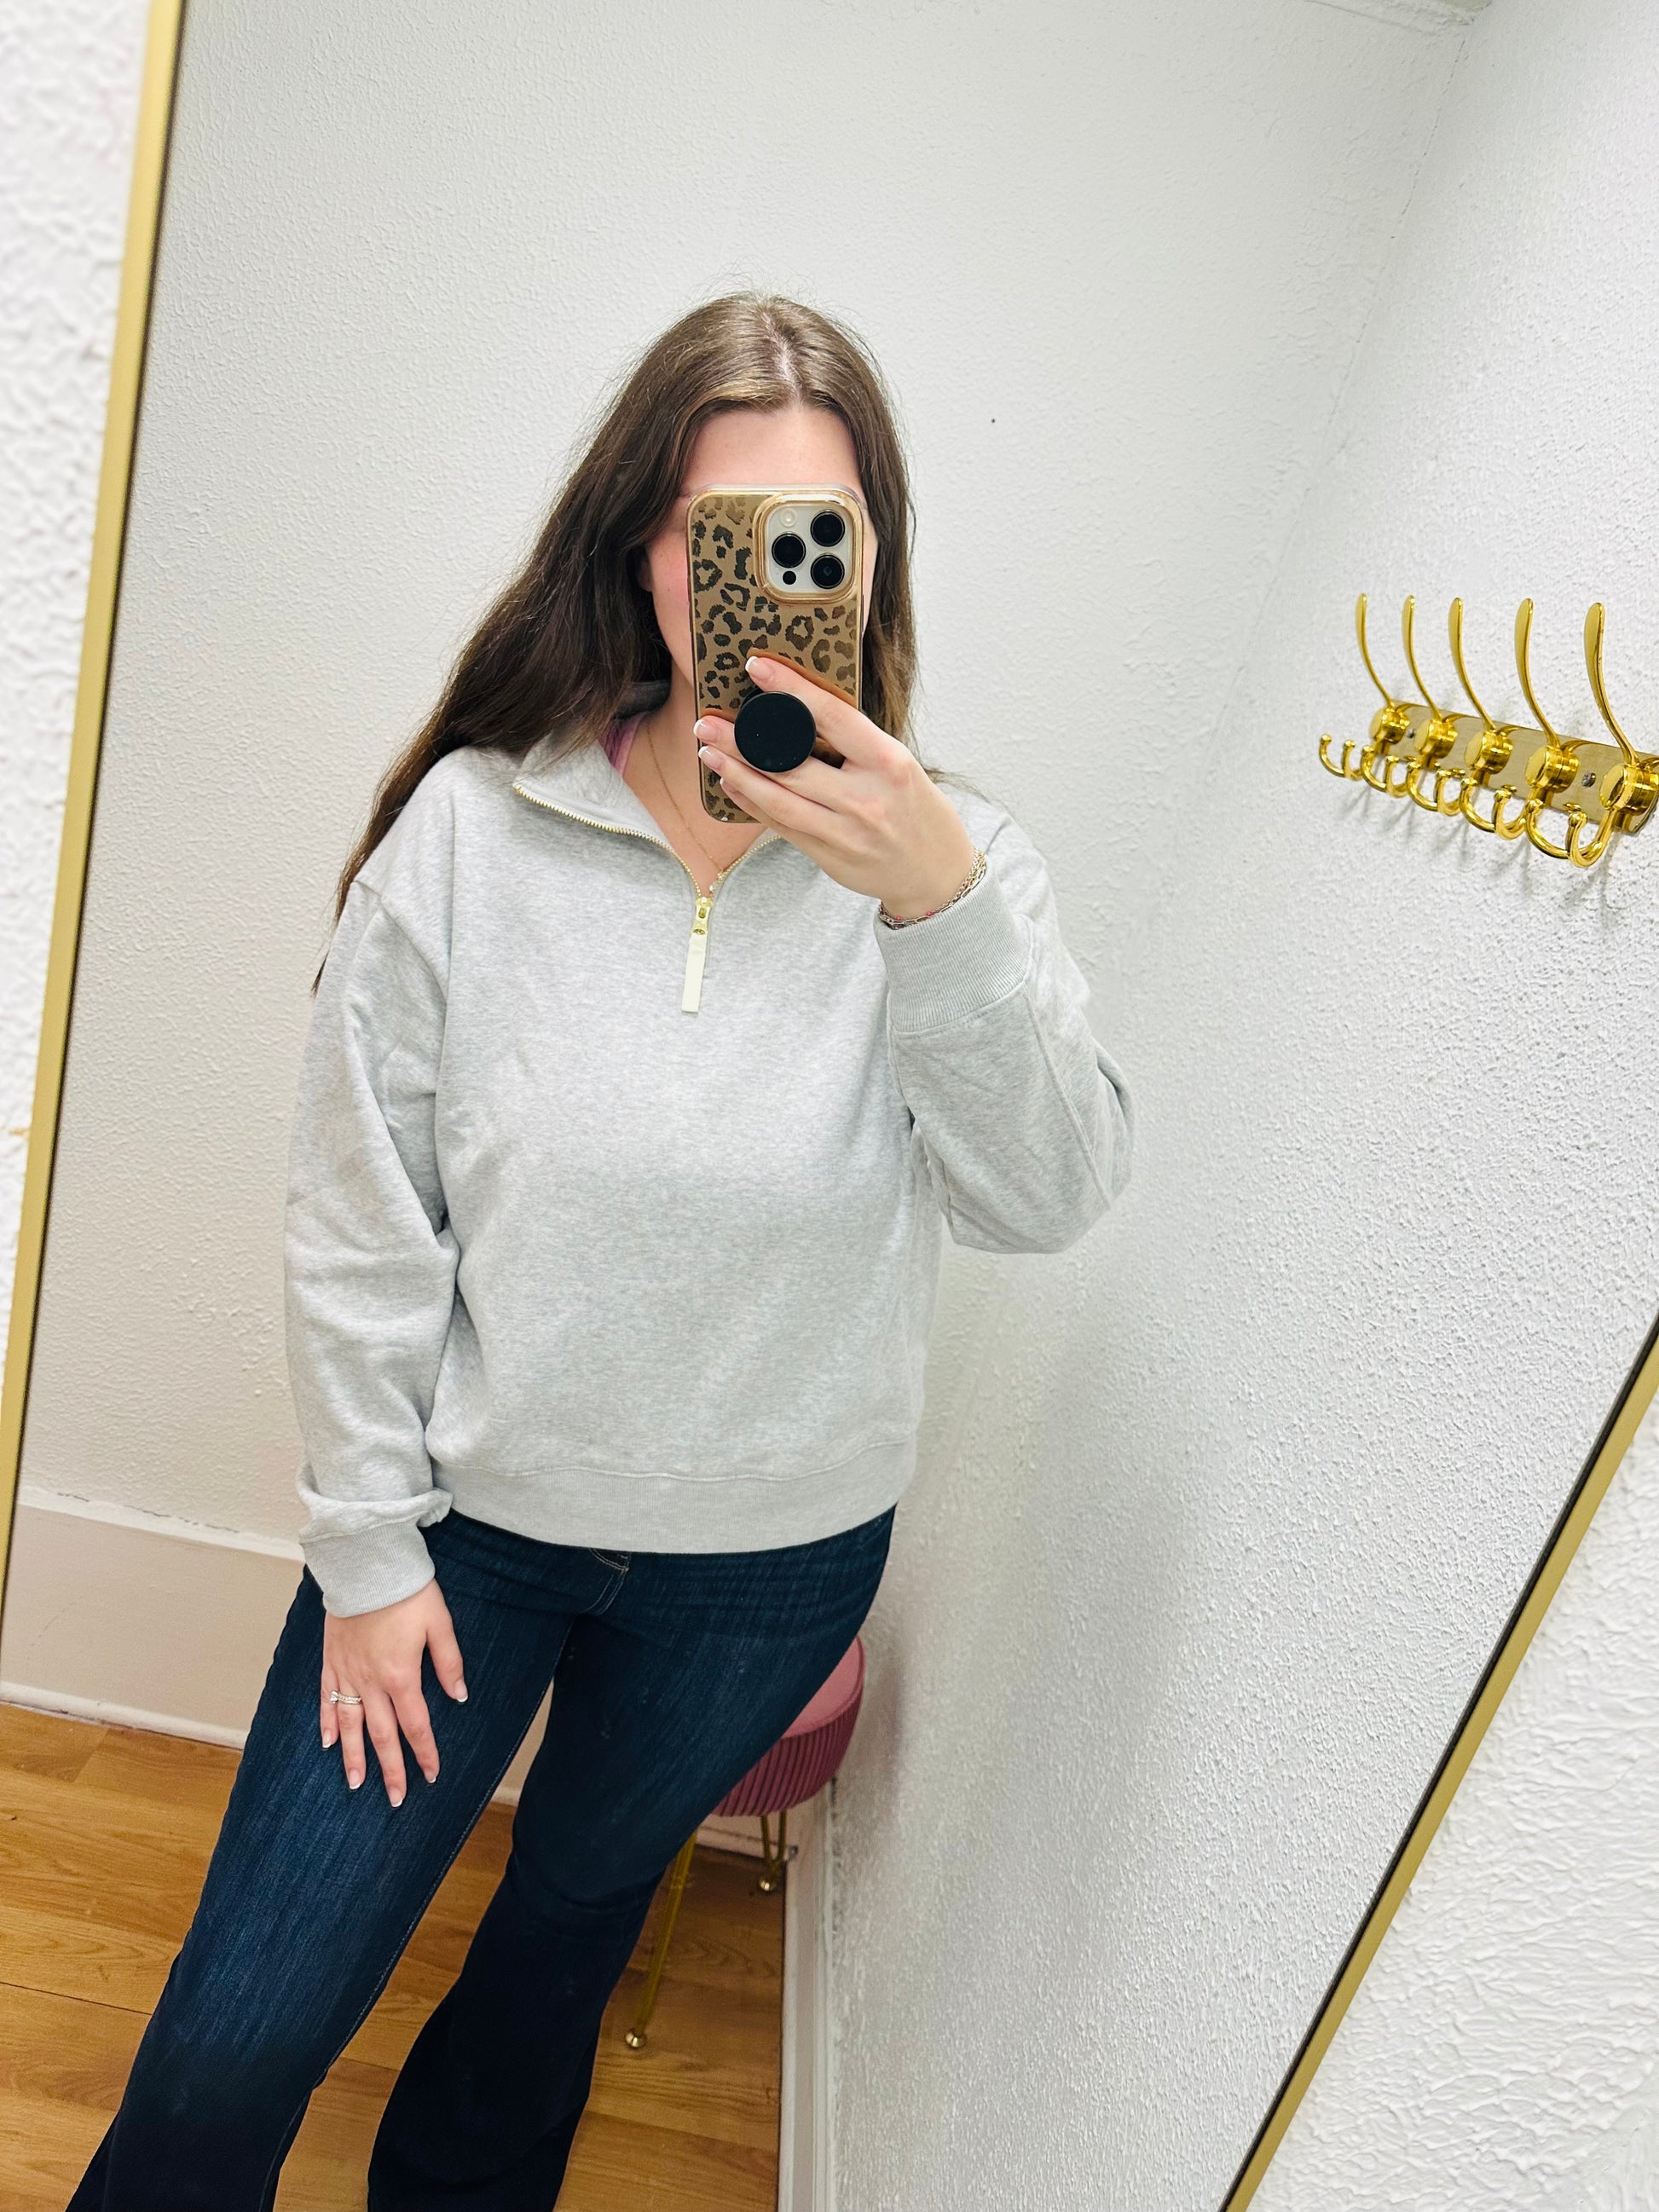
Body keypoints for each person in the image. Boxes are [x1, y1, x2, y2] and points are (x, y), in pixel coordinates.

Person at [68, 292, 1132, 2210]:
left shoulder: (955, 863)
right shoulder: (476, 834)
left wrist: (934, 908)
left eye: (820, 533)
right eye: (724, 530)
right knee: (239, 2025)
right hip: (463, 1534)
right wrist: (367, 1549)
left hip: (766, 1570)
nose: (772, 575)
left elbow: (1044, 1196)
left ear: (874, 556)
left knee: (555, 1953)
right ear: (642, 545)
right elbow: (360, 1215)